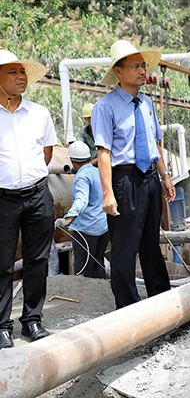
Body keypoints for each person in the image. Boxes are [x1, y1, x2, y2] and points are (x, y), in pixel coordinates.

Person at [92, 40, 175, 309]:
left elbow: (154, 144)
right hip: (124, 179)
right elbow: (104, 153)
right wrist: (108, 194)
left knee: (151, 241)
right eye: (135, 66)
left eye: (143, 66)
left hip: (150, 178)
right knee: (125, 245)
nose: (142, 71)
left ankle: (161, 298)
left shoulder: (147, 103)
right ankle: (127, 307)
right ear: (118, 70)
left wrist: (164, 176)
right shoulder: (105, 107)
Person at [0, 50, 57, 347]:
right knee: (2, 263)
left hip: (37, 195)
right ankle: (1, 326)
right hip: (3, 200)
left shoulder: (38, 113)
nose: (21, 77)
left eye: (22, 72)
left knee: (37, 260)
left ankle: (32, 320)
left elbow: (46, 154)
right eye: (13, 72)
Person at [55, 141, 109, 279]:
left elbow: (81, 201)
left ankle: (86, 297)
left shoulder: (81, 177)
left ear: (72, 161)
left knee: (83, 269)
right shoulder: (98, 172)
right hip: (103, 227)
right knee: (98, 264)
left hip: (87, 230)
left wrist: (66, 219)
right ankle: (102, 294)